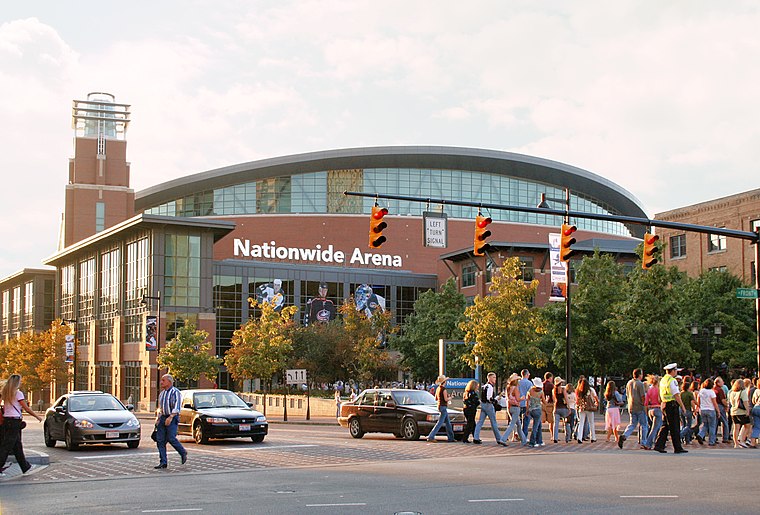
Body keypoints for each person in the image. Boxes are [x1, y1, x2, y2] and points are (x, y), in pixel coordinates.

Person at [0, 374, 43, 477]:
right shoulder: (18, 393)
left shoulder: (5, 392)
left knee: (17, 446)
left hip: (7, 420)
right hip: (15, 421)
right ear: (17, 382)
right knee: (7, 446)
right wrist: (37, 416)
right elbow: (26, 408)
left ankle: (25, 467)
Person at [154, 374, 187, 469]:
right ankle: (163, 462)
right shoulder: (162, 394)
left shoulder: (175, 392)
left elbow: (177, 406)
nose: (161, 382)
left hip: (172, 417)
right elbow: (160, 408)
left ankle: (182, 452)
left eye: (163, 380)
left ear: (169, 381)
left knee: (171, 438)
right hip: (163, 417)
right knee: (160, 440)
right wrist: (158, 418)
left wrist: (171, 417)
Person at [653, 363, 688, 454]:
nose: (676, 372)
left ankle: (659, 445)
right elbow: (676, 395)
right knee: (674, 427)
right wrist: (683, 407)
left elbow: (660, 393)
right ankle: (677, 447)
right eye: (676, 370)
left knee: (665, 426)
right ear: (673, 371)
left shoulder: (663, 380)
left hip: (664, 404)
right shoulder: (672, 380)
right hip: (672, 405)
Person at [618, 368, 649, 450]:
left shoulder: (629, 383)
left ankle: (625, 435)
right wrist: (645, 405)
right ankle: (644, 442)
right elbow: (643, 396)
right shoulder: (640, 384)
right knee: (644, 425)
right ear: (639, 375)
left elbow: (627, 395)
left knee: (632, 424)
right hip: (640, 407)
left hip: (631, 406)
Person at [473, 372, 502, 444]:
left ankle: (475, 437)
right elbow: (489, 398)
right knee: (493, 422)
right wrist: (496, 399)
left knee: (480, 422)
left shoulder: (484, 386)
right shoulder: (490, 387)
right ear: (489, 378)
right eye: (493, 377)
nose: (495, 379)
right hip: (488, 405)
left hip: (483, 405)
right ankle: (499, 439)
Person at [499, 374, 527, 446]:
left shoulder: (508, 388)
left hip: (510, 407)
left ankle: (524, 440)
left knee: (518, 424)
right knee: (512, 424)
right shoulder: (515, 389)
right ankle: (503, 439)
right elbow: (518, 399)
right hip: (516, 407)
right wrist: (522, 398)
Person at [426, 375, 455, 442]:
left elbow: (436, 398)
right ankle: (431, 436)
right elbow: (445, 399)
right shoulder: (444, 389)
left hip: (439, 405)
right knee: (440, 423)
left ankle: (451, 437)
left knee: (448, 423)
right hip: (443, 406)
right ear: (444, 382)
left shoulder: (438, 388)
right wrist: (450, 397)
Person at [728, 378, 752, 448]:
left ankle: (736, 443)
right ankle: (742, 440)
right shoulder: (743, 392)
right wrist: (747, 411)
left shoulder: (732, 392)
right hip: (741, 412)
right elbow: (745, 402)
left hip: (733, 411)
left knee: (736, 427)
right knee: (747, 425)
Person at [695, 378, 719, 446]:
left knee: (705, 424)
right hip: (710, 409)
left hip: (703, 409)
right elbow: (714, 403)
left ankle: (700, 434)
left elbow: (698, 401)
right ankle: (711, 441)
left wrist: (698, 408)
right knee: (712, 426)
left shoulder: (701, 391)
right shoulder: (711, 392)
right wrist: (718, 411)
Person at [642, 374, 662, 450]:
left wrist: (647, 412)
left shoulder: (649, 390)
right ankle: (648, 443)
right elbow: (660, 400)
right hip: (658, 408)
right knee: (655, 428)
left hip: (651, 409)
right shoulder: (659, 390)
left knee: (654, 427)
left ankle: (656, 442)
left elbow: (646, 403)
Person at [575, 378, 597, 444]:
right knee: (591, 423)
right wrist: (596, 404)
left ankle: (579, 437)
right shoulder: (591, 390)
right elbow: (596, 398)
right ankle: (593, 437)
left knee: (581, 423)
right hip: (590, 408)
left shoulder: (578, 390)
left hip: (582, 408)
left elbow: (577, 400)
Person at [526, 378, 546, 447]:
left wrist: (527, 410)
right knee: (535, 426)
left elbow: (527, 401)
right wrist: (547, 400)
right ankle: (532, 442)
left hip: (531, 409)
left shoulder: (530, 390)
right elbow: (544, 402)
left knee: (539, 425)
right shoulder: (541, 392)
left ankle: (539, 440)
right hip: (537, 409)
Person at [552, 377, 571, 443]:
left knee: (556, 424)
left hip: (556, 407)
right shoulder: (563, 389)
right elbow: (566, 398)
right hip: (563, 407)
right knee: (566, 423)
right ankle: (567, 438)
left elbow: (554, 400)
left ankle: (555, 438)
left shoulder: (553, 390)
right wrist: (569, 407)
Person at [713, 377, 730, 443]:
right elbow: (723, 400)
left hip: (714, 406)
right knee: (725, 422)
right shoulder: (720, 390)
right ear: (718, 383)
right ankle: (725, 438)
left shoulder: (713, 389)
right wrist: (726, 405)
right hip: (720, 406)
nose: (723, 382)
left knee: (715, 423)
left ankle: (713, 438)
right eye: (722, 381)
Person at [679, 377, 695, 445]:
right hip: (688, 410)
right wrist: (694, 410)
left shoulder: (681, 393)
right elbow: (692, 402)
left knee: (683, 424)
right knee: (688, 425)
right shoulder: (689, 394)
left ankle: (686, 440)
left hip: (681, 409)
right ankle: (681, 435)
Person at [517, 369, 532, 439]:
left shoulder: (518, 383)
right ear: (526, 374)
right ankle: (524, 436)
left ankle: (518, 434)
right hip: (526, 404)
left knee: (518, 421)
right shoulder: (529, 383)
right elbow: (531, 394)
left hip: (518, 403)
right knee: (526, 422)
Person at [542, 372, 555, 440]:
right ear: (550, 377)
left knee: (541, 420)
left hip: (542, 403)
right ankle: (552, 436)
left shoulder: (542, 384)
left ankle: (538, 436)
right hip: (550, 404)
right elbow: (553, 395)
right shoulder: (551, 385)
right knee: (551, 422)